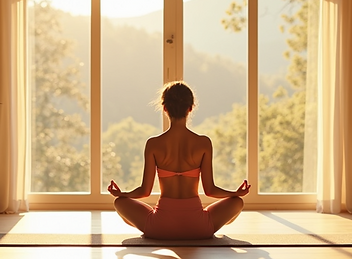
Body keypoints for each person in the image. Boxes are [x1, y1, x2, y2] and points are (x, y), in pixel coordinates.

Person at [107, 81, 251, 240]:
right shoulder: (203, 143)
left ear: (165, 108)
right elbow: (210, 190)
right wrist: (235, 193)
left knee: (120, 202)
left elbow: (144, 191)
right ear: (190, 108)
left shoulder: (153, 144)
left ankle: (156, 225)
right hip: (199, 227)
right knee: (237, 202)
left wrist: (122, 194)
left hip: (160, 227)